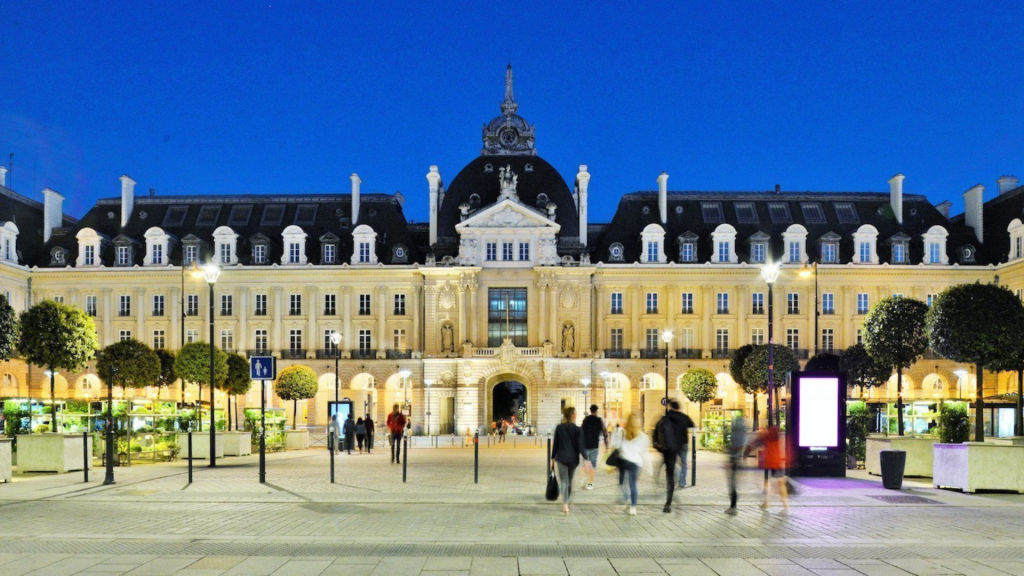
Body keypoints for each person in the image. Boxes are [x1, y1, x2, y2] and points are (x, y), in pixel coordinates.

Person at [653, 400, 694, 513]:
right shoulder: (683, 417)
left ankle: (668, 504)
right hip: (681, 445)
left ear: (671, 407)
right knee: (684, 463)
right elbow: (692, 425)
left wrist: (659, 447)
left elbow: (656, 432)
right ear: (679, 407)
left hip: (668, 449)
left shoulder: (666, 417)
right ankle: (682, 481)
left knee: (669, 475)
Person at [550, 406, 591, 515]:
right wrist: (586, 458)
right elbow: (581, 446)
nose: (576, 415)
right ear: (573, 415)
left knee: (564, 481)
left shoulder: (559, 428)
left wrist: (552, 458)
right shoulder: (578, 430)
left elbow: (556, 444)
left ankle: (565, 504)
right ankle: (566, 501)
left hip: (562, 458)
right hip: (573, 459)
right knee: (569, 481)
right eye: (576, 413)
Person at [614, 413, 649, 516]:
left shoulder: (622, 433)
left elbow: (616, 446)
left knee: (623, 484)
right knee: (633, 485)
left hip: (624, 461)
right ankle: (633, 508)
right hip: (636, 463)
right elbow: (644, 452)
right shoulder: (643, 436)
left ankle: (627, 499)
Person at [752, 424, 789, 512]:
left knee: (767, 483)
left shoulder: (767, 438)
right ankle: (786, 505)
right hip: (778, 463)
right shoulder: (780, 439)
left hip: (769, 463)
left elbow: (757, 440)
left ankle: (766, 503)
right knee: (781, 484)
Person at [580, 404, 608, 490]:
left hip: (585, 446)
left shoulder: (585, 420)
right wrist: (607, 446)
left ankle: (583, 478)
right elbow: (604, 432)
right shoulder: (599, 420)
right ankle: (590, 484)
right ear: (596, 411)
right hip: (594, 446)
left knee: (584, 463)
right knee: (593, 465)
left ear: (590, 410)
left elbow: (581, 431)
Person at [725, 414, 748, 515]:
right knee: (733, 484)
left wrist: (732, 458)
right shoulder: (742, 431)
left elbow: (737, 445)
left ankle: (733, 507)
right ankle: (733, 506)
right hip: (736, 458)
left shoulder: (736, 431)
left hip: (734, 459)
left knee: (732, 484)